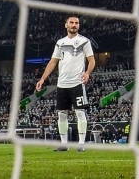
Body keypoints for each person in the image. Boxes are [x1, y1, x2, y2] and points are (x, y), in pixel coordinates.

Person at [35, 16, 96, 152]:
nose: (74, 25)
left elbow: (91, 60)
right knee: (61, 114)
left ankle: (81, 144)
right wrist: (43, 79)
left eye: (76, 23)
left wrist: (87, 73)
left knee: (80, 113)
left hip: (77, 83)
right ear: (66, 25)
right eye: (71, 23)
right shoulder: (60, 43)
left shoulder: (84, 41)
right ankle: (64, 144)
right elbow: (53, 62)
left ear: (78, 26)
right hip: (62, 84)